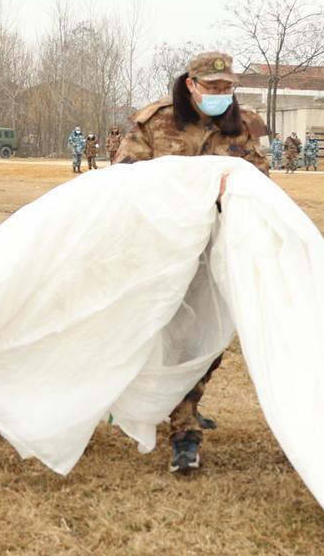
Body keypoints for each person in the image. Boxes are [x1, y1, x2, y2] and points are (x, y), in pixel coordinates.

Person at [114, 51, 268, 474]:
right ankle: (183, 430)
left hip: (212, 249)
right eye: (212, 87)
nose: (221, 95)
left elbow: (259, 179)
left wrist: (231, 188)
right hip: (160, 247)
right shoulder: (156, 122)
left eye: (227, 88)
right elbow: (122, 176)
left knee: (208, 338)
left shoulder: (243, 125)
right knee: (162, 332)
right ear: (191, 85)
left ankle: (184, 404)